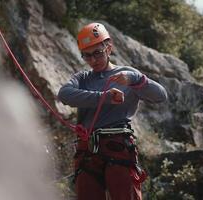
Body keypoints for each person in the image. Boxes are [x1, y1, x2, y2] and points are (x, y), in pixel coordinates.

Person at [57, 22, 168, 200]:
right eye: (86, 56)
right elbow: (65, 95)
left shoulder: (127, 75)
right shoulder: (83, 78)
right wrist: (105, 96)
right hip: (88, 151)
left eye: (97, 53)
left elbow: (160, 95)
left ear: (109, 48)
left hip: (118, 146)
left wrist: (134, 79)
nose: (93, 60)